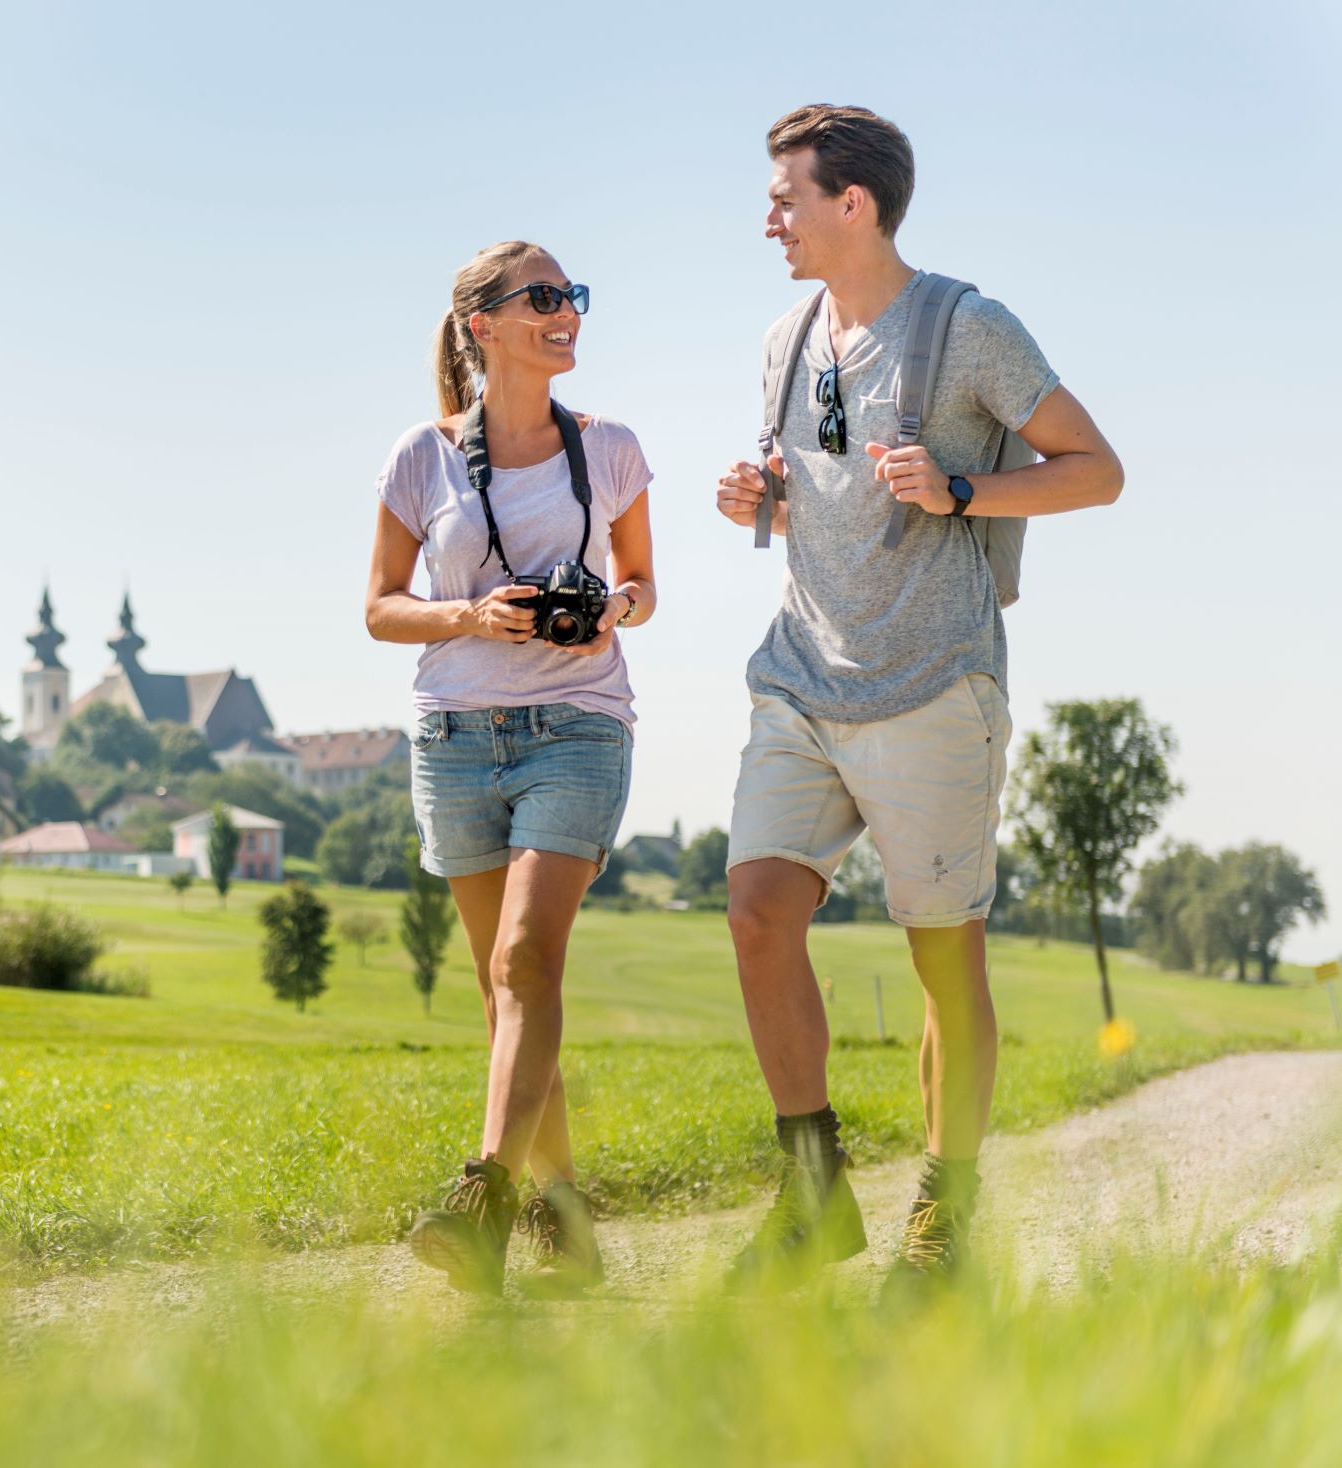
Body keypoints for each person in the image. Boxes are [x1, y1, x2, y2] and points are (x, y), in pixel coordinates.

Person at [713, 105, 1124, 1296]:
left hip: (933, 681)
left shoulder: (967, 327)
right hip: (800, 673)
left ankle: (945, 1215)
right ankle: (811, 1191)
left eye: (786, 195)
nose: (770, 217)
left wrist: (958, 488)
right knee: (754, 913)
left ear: (856, 203)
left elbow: (1095, 472)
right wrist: (762, 494)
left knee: (946, 964)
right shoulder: (786, 337)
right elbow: (819, 489)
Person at [367, 240, 656, 1294]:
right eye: (542, 297)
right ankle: (566, 1213)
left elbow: (642, 584)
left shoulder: (610, 447)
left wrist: (608, 612)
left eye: (571, 294)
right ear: (481, 325)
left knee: (528, 963)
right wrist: (471, 613)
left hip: (578, 725)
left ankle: (482, 1193)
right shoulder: (422, 456)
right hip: (454, 738)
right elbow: (378, 607)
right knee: (503, 996)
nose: (565, 310)